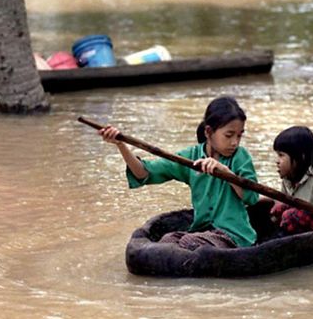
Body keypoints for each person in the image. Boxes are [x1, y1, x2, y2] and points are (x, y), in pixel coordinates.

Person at [99, 96, 260, 250]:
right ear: (208, 132)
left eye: (239, 136)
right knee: (167, 240)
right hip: (203, 231)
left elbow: (251, 197)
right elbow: (144, 173)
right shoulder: (191, 157)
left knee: (189, 242)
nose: (235, 142)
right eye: (229, 135)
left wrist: (225, 172)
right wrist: (121, 145)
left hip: (233, 235)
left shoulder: (240, 156)